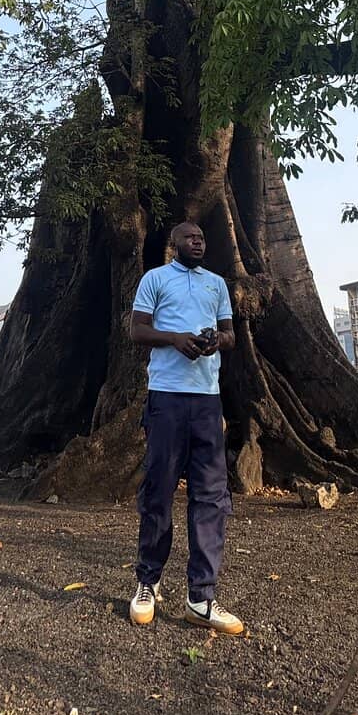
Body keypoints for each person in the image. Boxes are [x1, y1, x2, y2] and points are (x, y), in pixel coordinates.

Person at [128, 222, 243, 635]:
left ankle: (202, 595)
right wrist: (174, 338)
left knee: (211, 495)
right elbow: (136, 329)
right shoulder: (154, 279)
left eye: (202, 236)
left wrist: (217, 342)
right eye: (191, 236)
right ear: (174, 244)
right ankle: (148, 581)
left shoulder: (216, 285)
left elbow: (231, 334)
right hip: (166, 396)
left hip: (207, 400)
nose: (199, 240)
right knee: (158, 488)